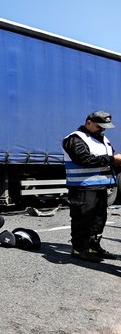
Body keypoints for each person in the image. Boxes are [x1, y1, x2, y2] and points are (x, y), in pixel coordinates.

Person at [62, 111, 121, 262]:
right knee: (83, 218)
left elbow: (108, 161)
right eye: (99, 125)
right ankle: (79, 249)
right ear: (88, 122)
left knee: (99, 219)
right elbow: (83, 159)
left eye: (105, 126)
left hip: (100, 186)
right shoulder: (75, 138)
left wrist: (115, 162)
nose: (103, 129)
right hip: (83, 187)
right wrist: (112, 159)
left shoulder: (102, 139)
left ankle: (93, 246)